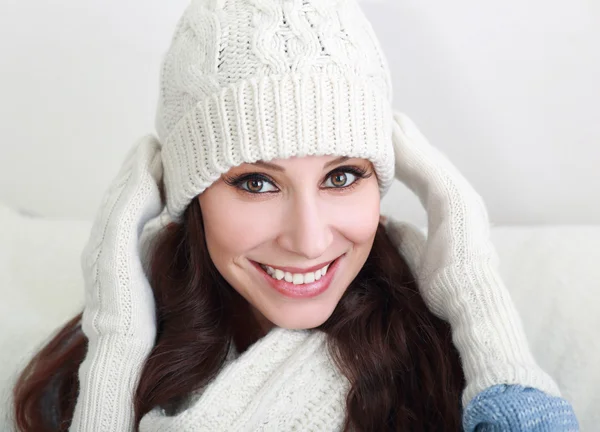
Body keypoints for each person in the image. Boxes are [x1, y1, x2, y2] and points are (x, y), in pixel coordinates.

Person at [13, 0, 579, 430]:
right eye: (257, 183)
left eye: (341, 177)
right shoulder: (133, 333)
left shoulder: (442, 349)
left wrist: (475, 287)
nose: (309, 241)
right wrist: (116, 348)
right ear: (190, 196)